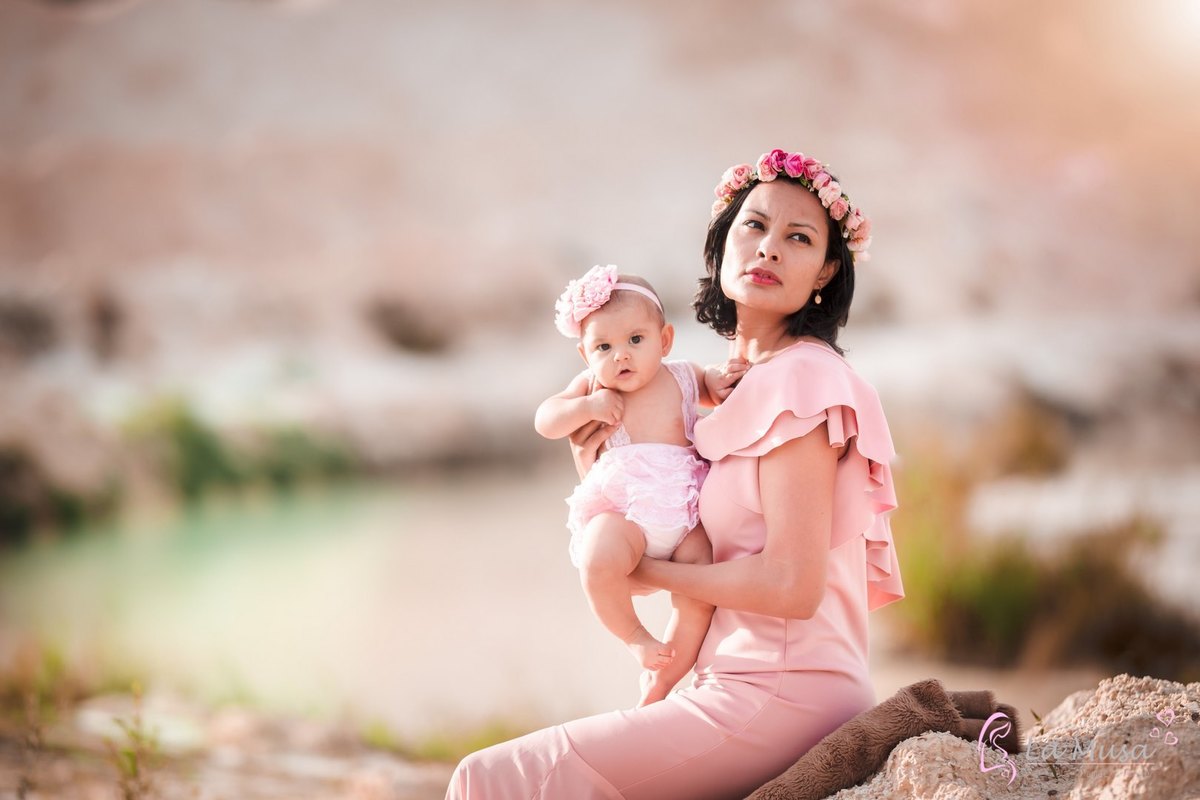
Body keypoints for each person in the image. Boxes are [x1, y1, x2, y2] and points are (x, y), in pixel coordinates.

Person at [446, 148, 904, 800]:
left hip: (786, 690)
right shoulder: (726, 386)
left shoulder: (802, 380)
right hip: (741, 681)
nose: (769, 249)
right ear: (721, 246)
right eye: (754, 226)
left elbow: (793, 587)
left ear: (826, 270)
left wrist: (646, 573)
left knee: (490, 780)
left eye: (797, 238)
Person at [534, 266, 746, 704]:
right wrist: (587, 406)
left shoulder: (684, 376)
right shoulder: (593, 386)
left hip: (685, 516)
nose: (621, 356)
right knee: (597, 553)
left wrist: (721, 380)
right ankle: (635, 637)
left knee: (698, 586)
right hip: (628, 513)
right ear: (585, 355)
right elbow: (546, 420)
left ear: (664, 340)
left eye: (636, 340)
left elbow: (713, 385)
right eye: (604, 347)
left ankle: (666, 678)